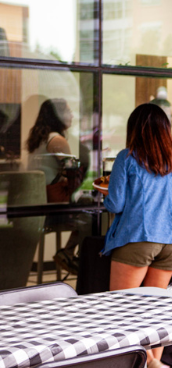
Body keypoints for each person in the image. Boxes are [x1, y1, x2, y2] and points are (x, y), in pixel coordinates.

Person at [100, 103, 172, 368]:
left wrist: (103, 194)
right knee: (154, 309)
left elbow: (116, 202)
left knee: (123, 308)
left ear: (135, 129)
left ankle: (150, 365)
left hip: (140, 235)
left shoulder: (127, 158)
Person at [26, 98, 88, 274]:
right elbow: (73, 172)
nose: (72, 115)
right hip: (53, 210)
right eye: (68, 111)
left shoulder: (39, 139)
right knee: (93, 213)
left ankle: (67, 253)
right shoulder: (57, 140)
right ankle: (69, 254)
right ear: (57, 116)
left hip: (38, 206)